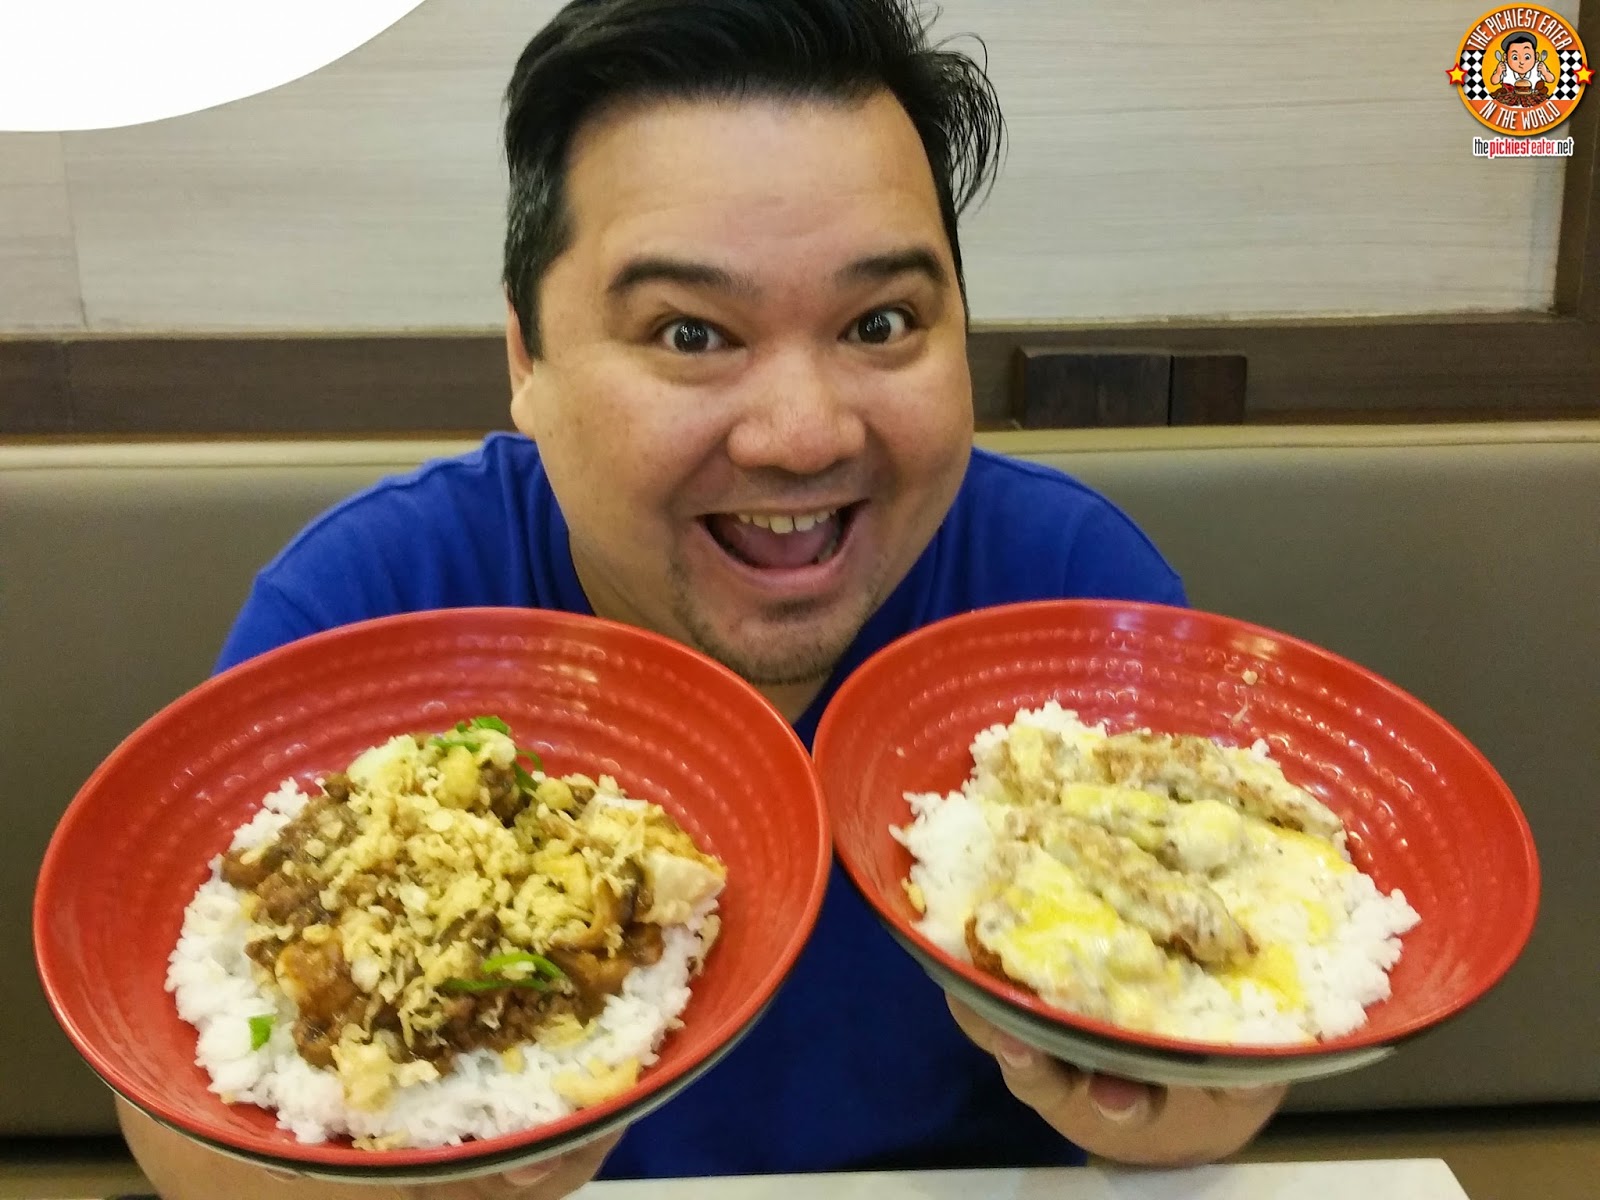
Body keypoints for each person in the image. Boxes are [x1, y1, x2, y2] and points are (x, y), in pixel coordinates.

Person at [116, 1, 1286, 1196]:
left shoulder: (1072, 590)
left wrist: (1162, 1097)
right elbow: (182, 1113)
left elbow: (1211, 1100)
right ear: (529, 360)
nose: (801, 434)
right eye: (690, 332)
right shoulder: (373, 602)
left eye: (880, 323)